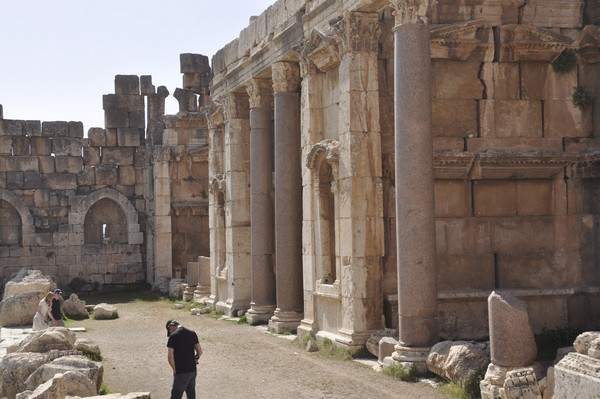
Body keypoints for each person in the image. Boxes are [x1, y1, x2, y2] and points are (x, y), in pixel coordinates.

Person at [166, 319, 202, 399]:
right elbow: (199, 352)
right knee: (191, 395)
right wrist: (195, 359)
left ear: (171, 326)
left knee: (175, 396)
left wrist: (174, 369)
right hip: (192, 370)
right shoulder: (192, 333)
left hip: (181, 372)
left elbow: (170, 357)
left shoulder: (173, 336)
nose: (170, 333)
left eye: (169, 331)